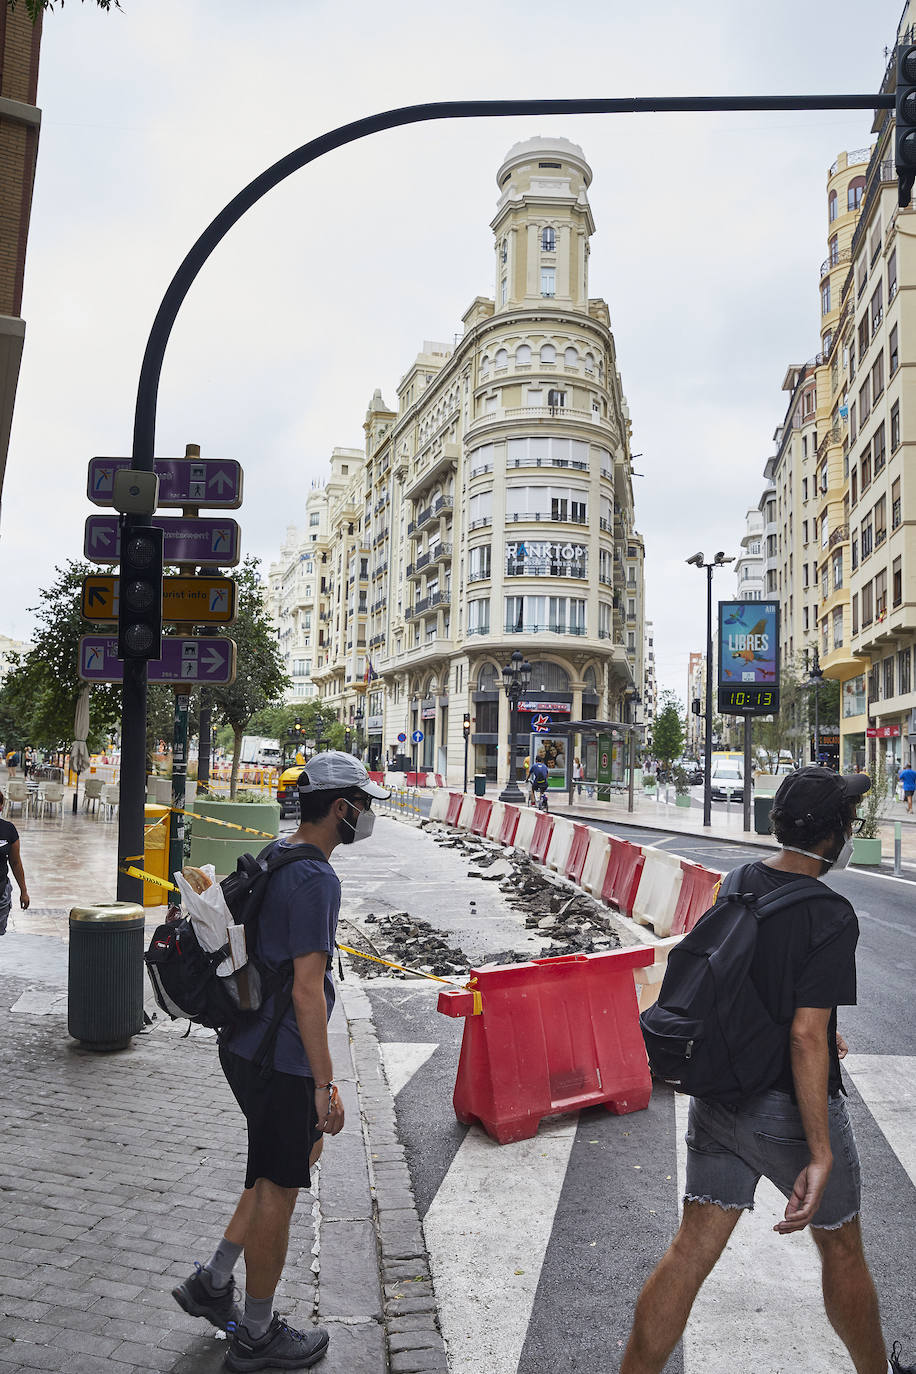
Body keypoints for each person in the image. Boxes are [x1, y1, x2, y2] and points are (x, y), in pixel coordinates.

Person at [620, 766, 914, 1374]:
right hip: (786, 1106)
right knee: (842, 1250)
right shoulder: (831, 914)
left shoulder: (739, 881)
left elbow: (744, 982)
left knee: (690, 1251)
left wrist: (824, 1028)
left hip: (720, 1097)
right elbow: (806, 1036)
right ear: (835, 836)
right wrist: (820, 1150)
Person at [172, 751, 388, 1372]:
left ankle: (213, 1283)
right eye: (362, 805)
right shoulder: (318, 878)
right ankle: (258, 1336)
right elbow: (306, 991)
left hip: (242, 1044)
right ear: (341, 807)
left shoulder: (275, 852)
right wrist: (327, 1086)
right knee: (280, 1191)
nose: (365, 815)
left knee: (272, 1171)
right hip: (282, 1057)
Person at [0, 789, 30, 934]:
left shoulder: (8, 830)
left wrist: (24, 891)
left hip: (1, 892)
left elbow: (15, 863)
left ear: (1, 806)